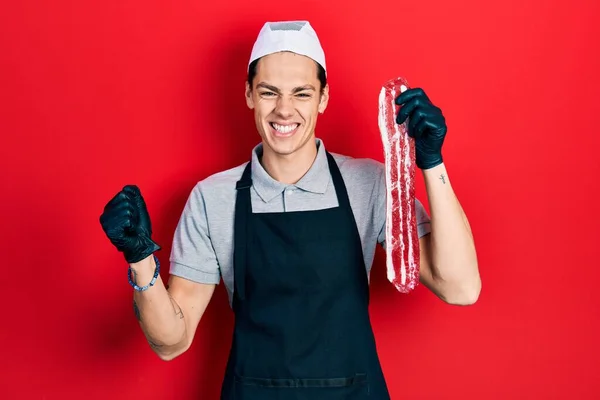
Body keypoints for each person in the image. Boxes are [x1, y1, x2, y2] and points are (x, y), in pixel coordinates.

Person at [100, 20, 480, 399]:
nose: (284, 110)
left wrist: (431, 162)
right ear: (249, 94)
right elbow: (172, 342)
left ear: (323, 98)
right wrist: (140, 260)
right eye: (269, 92)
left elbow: (460, 288)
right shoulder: (212, 198)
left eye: (301, 93)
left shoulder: (371, 185)